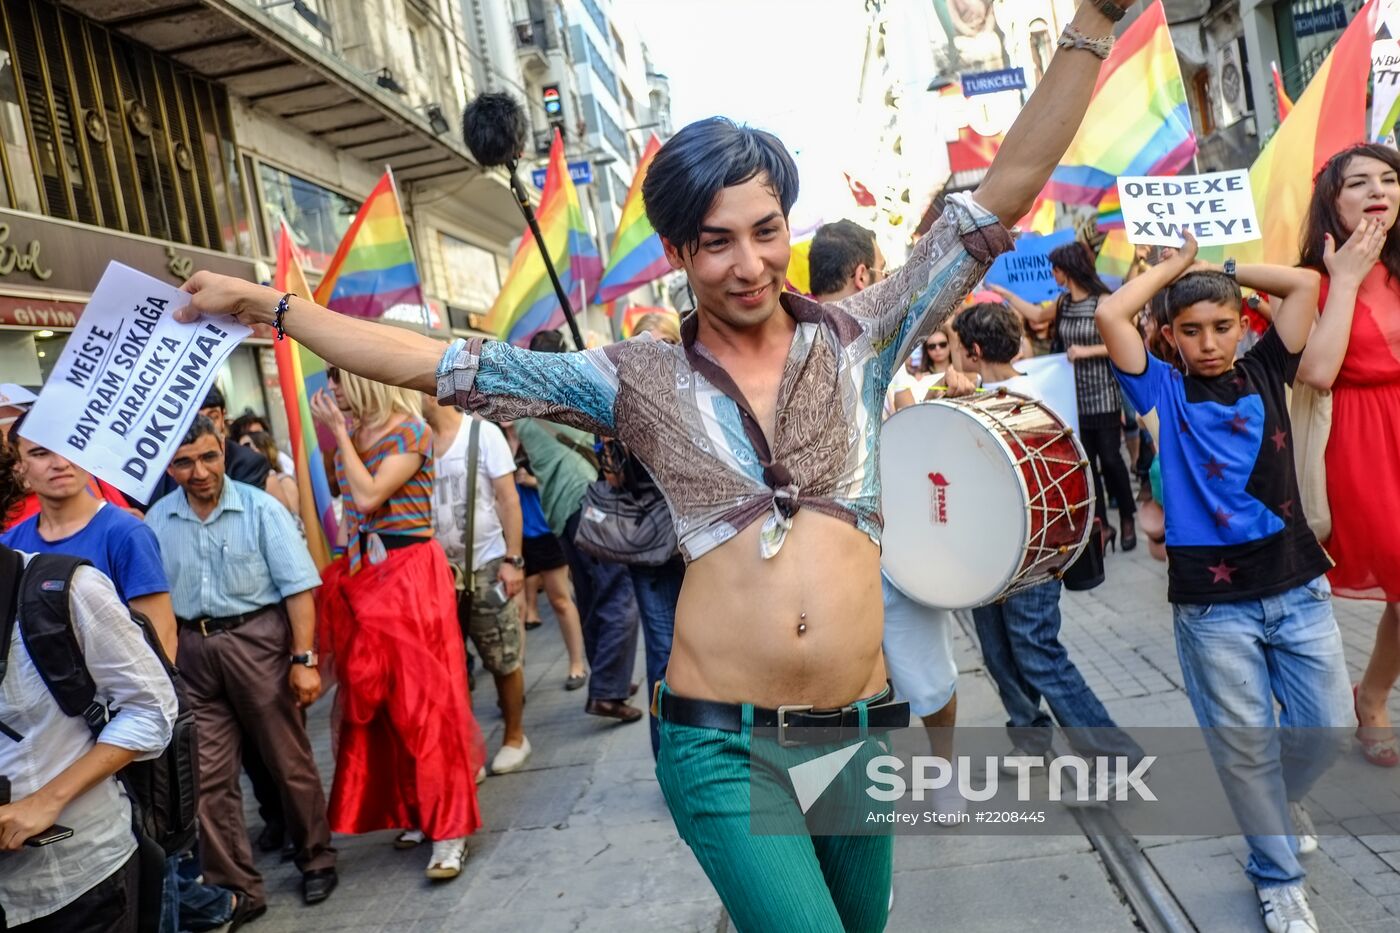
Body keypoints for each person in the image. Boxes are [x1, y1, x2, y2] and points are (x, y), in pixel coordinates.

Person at [174, 5, 1137, 922]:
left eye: (766, 231)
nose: (750, 263)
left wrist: (1093, 21)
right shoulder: (632, 377)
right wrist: (273, 309)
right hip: (723, 741)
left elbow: (1001, 192)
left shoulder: (864, 334)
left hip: (857, 727)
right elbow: (442, 360)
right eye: (717, 242)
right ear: (680, 250)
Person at [1098, 233, 1349, 933]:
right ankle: (1277, 877)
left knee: (1326, 729)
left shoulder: (1270, 367)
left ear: (1244, 324)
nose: (1208, 342)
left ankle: (1277, 798)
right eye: (1191, 330)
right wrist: (1177, 268)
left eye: (1222, 325)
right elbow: (1112, 316)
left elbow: (1303, 286)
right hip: (1214, 609)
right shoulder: (1162, 394)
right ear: (1169, 337)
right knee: (1244, 751)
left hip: (1298, 587)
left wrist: (1220, 268)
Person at [144, 415, 338, 916]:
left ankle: (316, 858)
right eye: (184, 463)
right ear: (170, 466)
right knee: (206, 777)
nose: (200, 471)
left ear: (223, 454)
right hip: (193, 651)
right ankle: (237, 888)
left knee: (287, 761)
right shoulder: (158, 520)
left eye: (209, 457)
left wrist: (304, 660)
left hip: (258, 643)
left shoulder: (261, 509)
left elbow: (298, 589)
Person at [950, 303, 1140, 777]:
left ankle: (1113, 752)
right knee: (997, 649)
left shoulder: (1021, 403)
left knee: (1035, 650)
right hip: (993, 551)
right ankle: (1030, 736)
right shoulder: (1017, 394)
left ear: (973, 352)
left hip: (1031, 554)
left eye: (956, 348)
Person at [309, 369, 485, 880]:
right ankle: (414, 809)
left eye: (339, 381)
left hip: (409, 578)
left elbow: (367, 497)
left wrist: (338, 435)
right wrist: (345, 563)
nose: (332, 391)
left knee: (426, 703)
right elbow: (351, 514)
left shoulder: (411, 430)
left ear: (363, 383)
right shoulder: (358, 431)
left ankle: (450, 829)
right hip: (368, 574)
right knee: (378, 704)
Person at [809, 219, 963, 799]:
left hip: (818, 548)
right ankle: (942, 777)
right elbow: (902, 430)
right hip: (889, 542)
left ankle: (847, 796)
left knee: (832, 685)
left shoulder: (776, 339)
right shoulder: (877, 331)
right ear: (863, 274)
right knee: (928, 673)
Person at [0, 444, 179, 933]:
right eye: (40, 454)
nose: (59, 464)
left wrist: (47, 800)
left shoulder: (83, 568)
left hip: (77, 878)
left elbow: (153, 701)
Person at [1296, 143, 1400, 770]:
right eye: (1358, 182)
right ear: (1332, 202)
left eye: (1389, 178)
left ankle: (1375, 696)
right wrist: (1347, 281)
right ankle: (1350, 700)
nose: (1378, 189)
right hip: (1361, 442)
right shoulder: (1313, 276)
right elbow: (1316, 371)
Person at [517, 329, 643, 724]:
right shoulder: (560, 397)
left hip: (559, 512)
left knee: (590, 597)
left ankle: (609, 679)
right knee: (619, 592)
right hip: (585, 503)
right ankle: (607, 690)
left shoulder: (524, 410)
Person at [998, 240, 1138, 551]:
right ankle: (1102, 525)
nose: (1052, 274)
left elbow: (1123, 343)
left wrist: (1086, 351)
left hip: (1102, 393)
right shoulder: (1063, 304)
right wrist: (1006, 294)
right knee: (1087, 464)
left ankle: (1128, 516)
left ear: (1067, 270)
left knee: (1112, 459)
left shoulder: (1103, 301)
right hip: (1072, 398)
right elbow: (1035, 314)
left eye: (1056, 269)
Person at [3, 415, 177, 660]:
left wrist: (151, 698)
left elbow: (162, 637)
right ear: (17, 464)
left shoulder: (126, 534)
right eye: (41, 453)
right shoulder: (9, 546)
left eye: (73, 447)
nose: (61, 463)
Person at [421, 397, 531, 775]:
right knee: (452, 666)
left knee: (502, 655)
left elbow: (507, 499)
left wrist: (513, 560)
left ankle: (515, 736)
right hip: (436, 574)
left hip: (484, 563)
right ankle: (468, 747)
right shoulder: (415, 440)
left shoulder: (482, 434)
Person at [510, 438, 588, 687]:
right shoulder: (496, 438)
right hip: (513, 534)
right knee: (515, 609)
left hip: (543, 528)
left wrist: (530, 481)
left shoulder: (534, 435)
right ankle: (514, 675)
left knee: (559, 599)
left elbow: (558, 478)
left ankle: (577, 664)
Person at [239, 430, 300, 518]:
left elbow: (293, 519)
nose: (243, 454)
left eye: (247, 447)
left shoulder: (285, 481)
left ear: (263, 449)